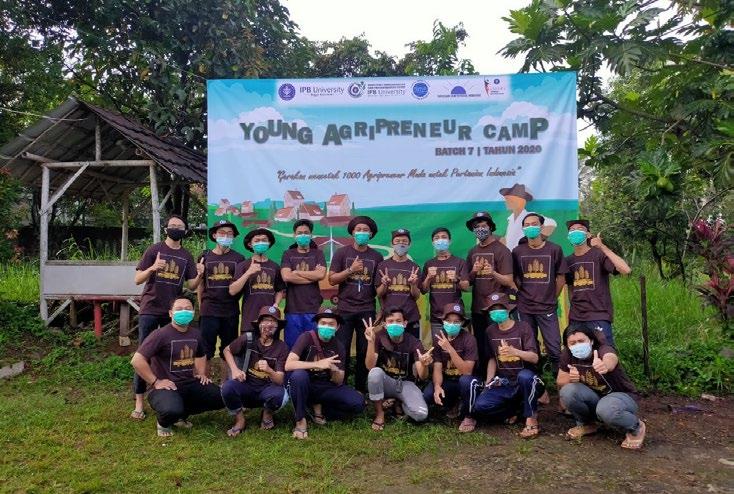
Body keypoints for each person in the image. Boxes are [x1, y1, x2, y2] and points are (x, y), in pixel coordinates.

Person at [131, 214, 203, 420]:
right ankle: (139, 401)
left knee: (171, 352)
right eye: (172, 225)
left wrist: (200, 274)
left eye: (180, 226)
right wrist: (152, 268)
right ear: (166, 229)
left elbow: (191, 286)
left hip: (174, 312)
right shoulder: (155, 250)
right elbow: (137, 279)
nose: (175, 228)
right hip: (150, 308)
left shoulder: (186, 256)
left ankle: (168, 392)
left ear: (185, 231)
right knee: (144, 352)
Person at [130, 296, 223, 437]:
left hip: (189, 383)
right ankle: (163, 422)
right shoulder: (160, 335)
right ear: (170, 313)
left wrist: (201, 373)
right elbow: (137, 360)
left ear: (193, 313)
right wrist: (156, 382)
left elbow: (200, 354)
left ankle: (181, 415)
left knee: (223, 397)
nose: (184, 312)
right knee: (171, 410)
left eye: (188, 309)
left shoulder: (196, 334)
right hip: (166, 387)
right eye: (179, 309)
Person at [458, 293, 543, 438]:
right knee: (480, 406)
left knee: (525, 376)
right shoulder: (490, 331)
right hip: (504, 382)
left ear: (508, 310)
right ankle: (514, 411)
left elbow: (534, 358)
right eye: (492, 310)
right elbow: (492, 358)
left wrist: (514, 352)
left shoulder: (523, 327)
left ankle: (531, 419)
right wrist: (489, 382)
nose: (496, 312)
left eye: (499, 308)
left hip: (526, 381)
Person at [557, 324, 646, 449]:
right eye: (572, 343)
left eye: (581, 341)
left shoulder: (602, 348)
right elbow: (560, 380)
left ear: (591, 341)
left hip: (622, 397)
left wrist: (605, 365)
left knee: (605, 409)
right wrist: (571, 378)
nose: (577, 345)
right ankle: (587, 424)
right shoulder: (567, 354)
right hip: (595, 398)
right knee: (568, 391)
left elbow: (611, 357)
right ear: (567, 345)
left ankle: (636, 427)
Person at [285, 307, 365, 439]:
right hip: (305, 384)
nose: (326, 327)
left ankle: (318, 409)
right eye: (323, 323)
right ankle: (300, 420)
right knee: (299, 376)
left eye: (331, 324)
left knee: (357, 403)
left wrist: (335, 370)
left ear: (337, 327)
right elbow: (289, 365)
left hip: (325, 386)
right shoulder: (306, 337)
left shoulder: (339, 346)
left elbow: (339, 381)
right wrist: (317, 364)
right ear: (317, 324)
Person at [328, 215, 383, 393]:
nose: (361, 233)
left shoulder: (377, 256)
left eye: (365, 230)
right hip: (344, 309)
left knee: (364, 350)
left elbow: (379, 286)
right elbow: (332, 279)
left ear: (371, 234)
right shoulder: (341, 253)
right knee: (341, 349)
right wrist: (350, 270)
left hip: (367, 309)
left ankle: (361, 389)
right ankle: (341, 387)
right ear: (352, 232)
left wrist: (382, 308)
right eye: (358, 230)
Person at [512, 212, 568, 380]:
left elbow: (561, 277)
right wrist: (522, 292)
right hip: (525, 307)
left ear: (541, 227)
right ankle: (536, 382)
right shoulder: (517, 251)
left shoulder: (554, 249)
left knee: (554, 347)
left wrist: (552, 297)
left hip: (547, 307)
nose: (530, 227)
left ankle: (560, 381)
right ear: (523, 229)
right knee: (530, 347)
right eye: (527, 225)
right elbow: (515, 277)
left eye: (534, 224)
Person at [220, 306, 289, 437]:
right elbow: (226, 350)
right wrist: (235, 370)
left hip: (268, 388)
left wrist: (269, 370)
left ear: (278, 326)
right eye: (265, 320)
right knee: (227, 387)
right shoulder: (248, 338)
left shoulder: (282, 347)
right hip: (247, 385)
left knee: (281, 396)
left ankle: (267, 413)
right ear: (259, 324)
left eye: (273, 321)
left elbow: (280, 380)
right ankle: (240, 420)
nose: (268, 324)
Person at [565, 219, 631, 347]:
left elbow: (626, 270)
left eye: (580, 229)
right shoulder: (568, 261)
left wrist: (602, 247)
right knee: (580, 353)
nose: (575, 232)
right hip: (576, 318)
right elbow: (570, 289)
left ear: (588, 235)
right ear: (568, 236)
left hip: (598, 315)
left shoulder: (598, 255)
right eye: (572, 230)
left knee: (605, 351)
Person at [365, 308, 432, 431]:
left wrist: (424, 365)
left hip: (406, 384)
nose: (394, 324)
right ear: (385, 325)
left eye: (398, 321)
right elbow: (369, 366)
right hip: (386, 382)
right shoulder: (379, 338)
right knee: (374, 373)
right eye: (390, 321)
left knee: (421, 415)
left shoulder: (414, 342)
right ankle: (380, 413)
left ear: (405, 323)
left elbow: (423, 376)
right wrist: (370, 342)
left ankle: (399, 402)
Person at [465, 211, 514, 374]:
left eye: (483, 225)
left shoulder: (502, 250)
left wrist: (492, 272)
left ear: (491, 227)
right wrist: (474, 271)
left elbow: (508, 280)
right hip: (478, 308)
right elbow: (467, 281)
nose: (480, 229)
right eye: (476, 226)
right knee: (481, 345)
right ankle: (483, 379)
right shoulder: (472, 252)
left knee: (498, 345)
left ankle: (502, 377)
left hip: (496, 310)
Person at [197, 220, 245, 375]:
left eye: (230, 234)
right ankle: (204, 382)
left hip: (230, 311)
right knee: (205, 349)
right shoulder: (204, 257)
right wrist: (201, 307)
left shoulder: (239, 258)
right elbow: (200, 285)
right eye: (222, 233)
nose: (226, 236)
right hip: (209, 310)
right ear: (214, 235)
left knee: (228, 349)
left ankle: (226, 383)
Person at [423, 303, 478, 417]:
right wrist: (437, 386)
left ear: (462, 323)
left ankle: (467, 413)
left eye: (456, 321)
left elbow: (467, 371)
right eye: (448, 320)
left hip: (464, 380)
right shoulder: (438, 337)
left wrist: (449, 348)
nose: (452, 324)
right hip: (448, 380)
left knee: (465, 382)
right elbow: (437, 367)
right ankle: (451, 403)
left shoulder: (469, 339)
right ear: (443, 321)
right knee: (428, 395)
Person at [229, 227, 285, 337]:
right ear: (250, 244)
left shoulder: (275, 266)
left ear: (269, 243)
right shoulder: (243, 265)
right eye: (257, 240)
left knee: (270, 346)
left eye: (264, 240)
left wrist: (276, 304)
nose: (261, 243)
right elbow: (232, 290)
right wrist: (248, 273)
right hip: (249, 320)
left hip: (270, 319)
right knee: (249, 347)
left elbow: (280, 290)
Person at [280, 219, 326, 348]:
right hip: (292, 310)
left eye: (306, 232)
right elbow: (286, 276)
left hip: (313, 309)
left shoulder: (318, 253)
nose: (303, 235)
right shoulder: (288, 254)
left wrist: (297, 272)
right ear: (294, 235)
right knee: (293, 347)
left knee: (313, 346)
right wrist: (312, 276)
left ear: (311, 235)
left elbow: (321, 275)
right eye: (299, 233)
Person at [421, 227, 470, 337]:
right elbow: (423, 290)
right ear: (433, 243)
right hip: (436, 317)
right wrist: (428, 278)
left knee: (458, 345)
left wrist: (456, 279)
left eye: (444, 237)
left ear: (450, 241)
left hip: (456, 316)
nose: (440, 240)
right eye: (437, 238)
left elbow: (466, 287)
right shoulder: (429, 264)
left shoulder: (460, 262)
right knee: (438, 346)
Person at [375, 228, 422, 338]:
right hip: (390, 318)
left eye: (404, 241)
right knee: (388, 347)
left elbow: (416, 296)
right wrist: (384, 284)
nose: (401, 244)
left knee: (412, 347)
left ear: (409, 244)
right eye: (397, 241)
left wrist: (413, 284)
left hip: (410, 317)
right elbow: (379, 294)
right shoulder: (383, 266)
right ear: (391, 244)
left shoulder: (415, 267)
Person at [500, 183, 557, 250]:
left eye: (510, 199)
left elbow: (552, 223)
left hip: (523, 254)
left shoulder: (530, 216)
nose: (506, 201)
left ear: (522, 201)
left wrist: (534, 241)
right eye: (506, 199)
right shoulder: (510, 219)